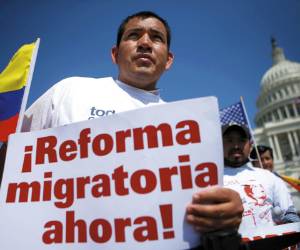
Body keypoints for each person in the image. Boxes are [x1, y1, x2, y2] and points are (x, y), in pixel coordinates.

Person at [0, 11, 244, 248]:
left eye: (156, 37)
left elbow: (200, 203)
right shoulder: (70, 91)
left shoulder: (186, 127)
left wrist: (225, 211)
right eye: (134, 35)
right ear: (115, 54)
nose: (145, 43)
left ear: (168, 59)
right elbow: (12, 159)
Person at [222, 123, 299, 234]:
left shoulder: (270, 177)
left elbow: (290, 216)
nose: (236, 146)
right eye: (229, 140)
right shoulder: (211, 181)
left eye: (241, 140)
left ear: (250, 145)